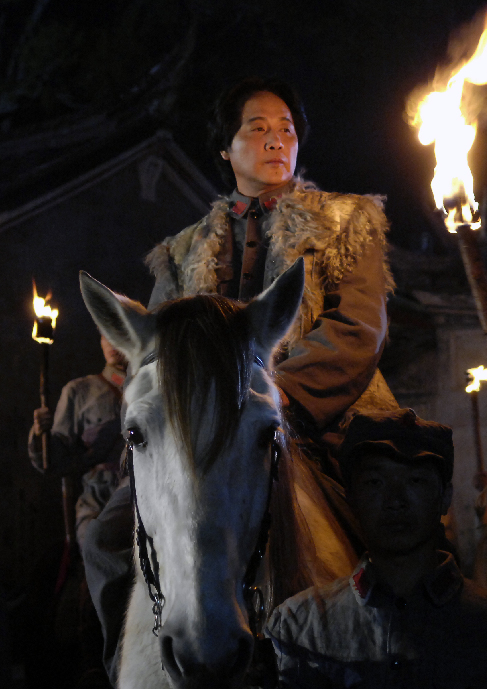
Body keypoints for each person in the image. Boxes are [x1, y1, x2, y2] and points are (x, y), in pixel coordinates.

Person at [82, 76, 398, 684]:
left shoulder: (347, 222)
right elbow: (157, 354)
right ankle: (128, 662)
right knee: (104, 538)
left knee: (401, 520)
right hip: (201, 431)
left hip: (319, 417)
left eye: (287, 129)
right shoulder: (180, 251)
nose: (277, 140)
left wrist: (281, 400)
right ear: (226, 148)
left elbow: (356, 330)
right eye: (258, 128)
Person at [266, 408, 487, 688]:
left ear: (445, 497)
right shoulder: (297, 627)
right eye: (375, 483)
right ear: (352, 497)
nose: (395, 501)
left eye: (415, 481)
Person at [29, 333, 127, 549]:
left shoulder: (153, 389)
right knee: (96, 544)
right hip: (98, 501)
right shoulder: (80, 391)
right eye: (105, 335)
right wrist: (40, 434)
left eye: (117, 332)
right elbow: (53, 460)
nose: (111, 342)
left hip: (145, 499)